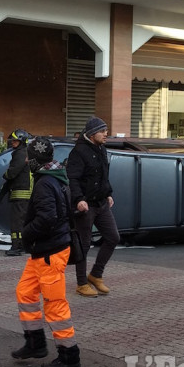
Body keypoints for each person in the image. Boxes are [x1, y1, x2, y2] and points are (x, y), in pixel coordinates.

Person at [12, 136, 80, 367]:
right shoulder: (54, 177)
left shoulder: (44, 183)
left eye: (30, 156)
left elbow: (47, 218)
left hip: (50, 251)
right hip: (44, 251)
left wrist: (25, 234)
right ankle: (35, 343)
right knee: (25, 291)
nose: (27, 160)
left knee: (55, 304)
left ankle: (69, 356)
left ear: (35, 159)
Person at [66, 116, 120, 297]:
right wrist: (79, 199)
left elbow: (104, 175)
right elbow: (72, 179)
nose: (106, 134)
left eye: (106, 130)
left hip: (101, 202)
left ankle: (96, 275)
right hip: (86, 205)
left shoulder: (101, 149)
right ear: (91, 133)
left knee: (113, 237)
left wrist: (108, 193)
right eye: (103, 131)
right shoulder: (78, 152)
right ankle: (81, 283)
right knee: (84, 244)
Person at [2, 128, 32, 256]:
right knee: (23, 220)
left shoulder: (20, 154)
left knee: (17, 221)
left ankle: (17, 246)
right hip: (23, 191)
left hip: (20, 191)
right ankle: (24, 245)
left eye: (15, 141)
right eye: (12, 141)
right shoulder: (24, 152)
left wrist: (6, 175)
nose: (13, 143)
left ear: (22, 141)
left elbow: (13, 171)